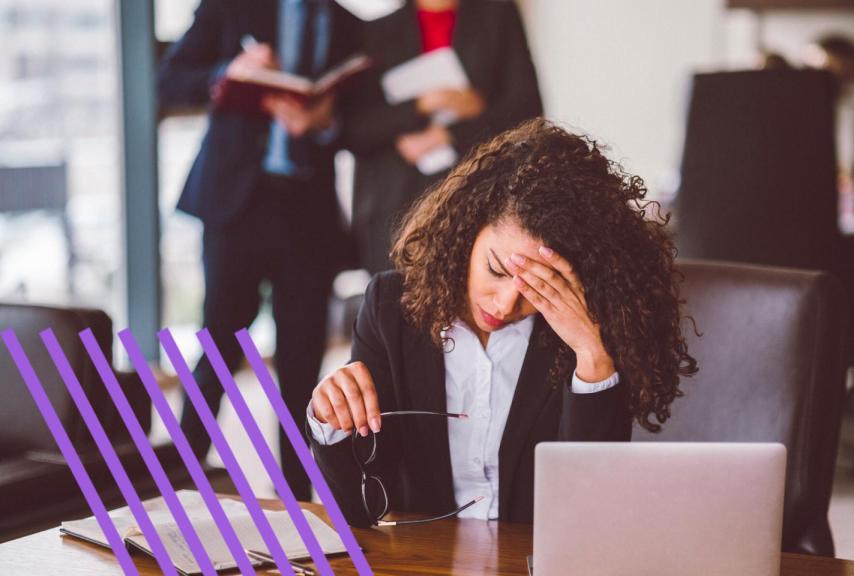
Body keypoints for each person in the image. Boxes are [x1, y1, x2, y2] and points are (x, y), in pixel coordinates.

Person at [305, 119, 698, 527]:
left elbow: (588, 516)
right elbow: (361, 509)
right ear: (466, 231)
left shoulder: (584, 330)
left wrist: (592, 356)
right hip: (425, 560)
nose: (507, 303)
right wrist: (331, 421)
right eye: (496, 269)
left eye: (538, 286)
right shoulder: (391, 307)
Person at [157, 0, 361, 501]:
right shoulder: (229, 7)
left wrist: (325, 122)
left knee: (301, 359)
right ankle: (177, 482)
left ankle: (294, 495)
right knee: (219, 346)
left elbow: (360, 118)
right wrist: (230, 71)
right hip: (237, 206)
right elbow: (169, 80)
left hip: (307, 211)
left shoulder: (346, 23)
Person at [338, 0, 543, 274]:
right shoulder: (378, 31)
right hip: (398, 210)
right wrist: (420, 105)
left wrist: (451, 133)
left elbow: (527, 111)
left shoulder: (496, 17)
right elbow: (355, 130)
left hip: (479, 198)